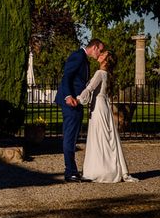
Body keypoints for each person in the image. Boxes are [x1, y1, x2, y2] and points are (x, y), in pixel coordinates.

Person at [77, 51, 139, 182]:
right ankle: (108, 168)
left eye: (103, 55)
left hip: (98, 107)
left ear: (106, 60)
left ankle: (100, 170)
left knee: (99, 137)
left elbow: (90, 89)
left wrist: (78, 99)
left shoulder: (99, 73)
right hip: (103, 105)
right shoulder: (106, 75)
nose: (99, 55)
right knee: (105, 137)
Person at [54, 38, 105, 182]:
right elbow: (66, 77)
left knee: (73, 136)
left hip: (77, 102)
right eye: (100, 50)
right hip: (71, 103)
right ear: (94, 47)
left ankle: (73, 171)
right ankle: (70, 172)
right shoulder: (78, 56)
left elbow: (78, 81)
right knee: (70, 137)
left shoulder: (84, 59)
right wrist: (68, 96)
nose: (99, 54)